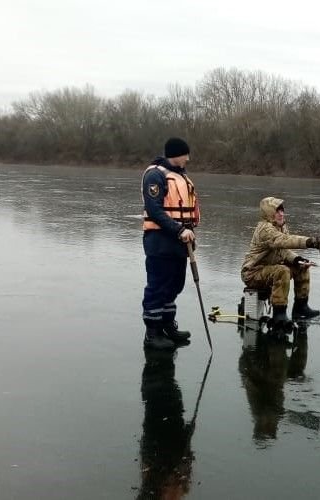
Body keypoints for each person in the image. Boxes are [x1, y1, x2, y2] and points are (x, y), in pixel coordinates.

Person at [141, 137, 199, 350]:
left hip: (179, 244)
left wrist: (189, 233)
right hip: (160, 242)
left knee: (175, 285)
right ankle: (152, 332)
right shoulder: (155, 175)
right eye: (186, 154)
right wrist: (179, 229)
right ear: (177, 154)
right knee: (158, 286)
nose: (188, 158)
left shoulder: (181, 176)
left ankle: (167, 325)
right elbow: (155, 211)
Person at [240, 197, 320, 329]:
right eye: (277, 211)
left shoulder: (281, 226)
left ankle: (301, 308)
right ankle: (279, 315)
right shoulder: (264, 229)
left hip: (269, 269)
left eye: (282, 210)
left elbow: (283, 250)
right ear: (269, 213)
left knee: (302, 266)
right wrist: (311, 242)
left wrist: (298, 260)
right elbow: (284, 240)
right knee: (282, 271)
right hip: (253, 273)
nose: (281, 214)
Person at [137, 349, 195, 499]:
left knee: (162, 396)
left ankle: (162, 337)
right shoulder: (171, 486)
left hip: (164, 434)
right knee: (164, 394)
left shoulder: (155, 474)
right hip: (168, 436)